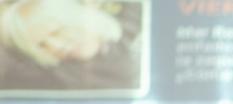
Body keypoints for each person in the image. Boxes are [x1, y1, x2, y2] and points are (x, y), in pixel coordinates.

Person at [0, 0, 142, 91]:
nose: (56, 47)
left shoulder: (138, 26)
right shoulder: (58, 80)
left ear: (74, 17)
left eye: (56, 31)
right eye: (41, 45)